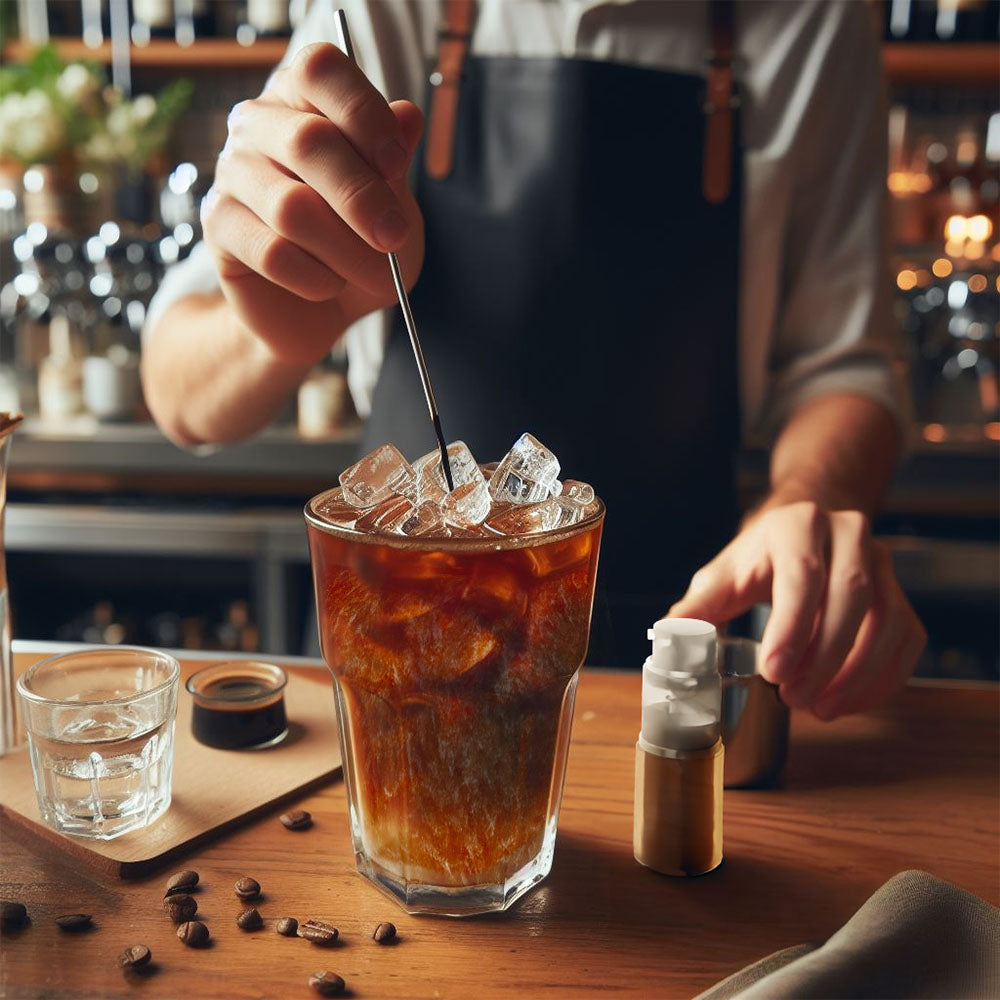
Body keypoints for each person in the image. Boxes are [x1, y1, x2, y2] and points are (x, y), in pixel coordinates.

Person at [142, 0, 925, 717]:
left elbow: (844, 365)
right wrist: (271, 333)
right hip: (401, 658)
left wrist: (808, 496)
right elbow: (178, 393)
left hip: (678, 643)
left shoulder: (818, 20)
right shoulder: (380, 10)